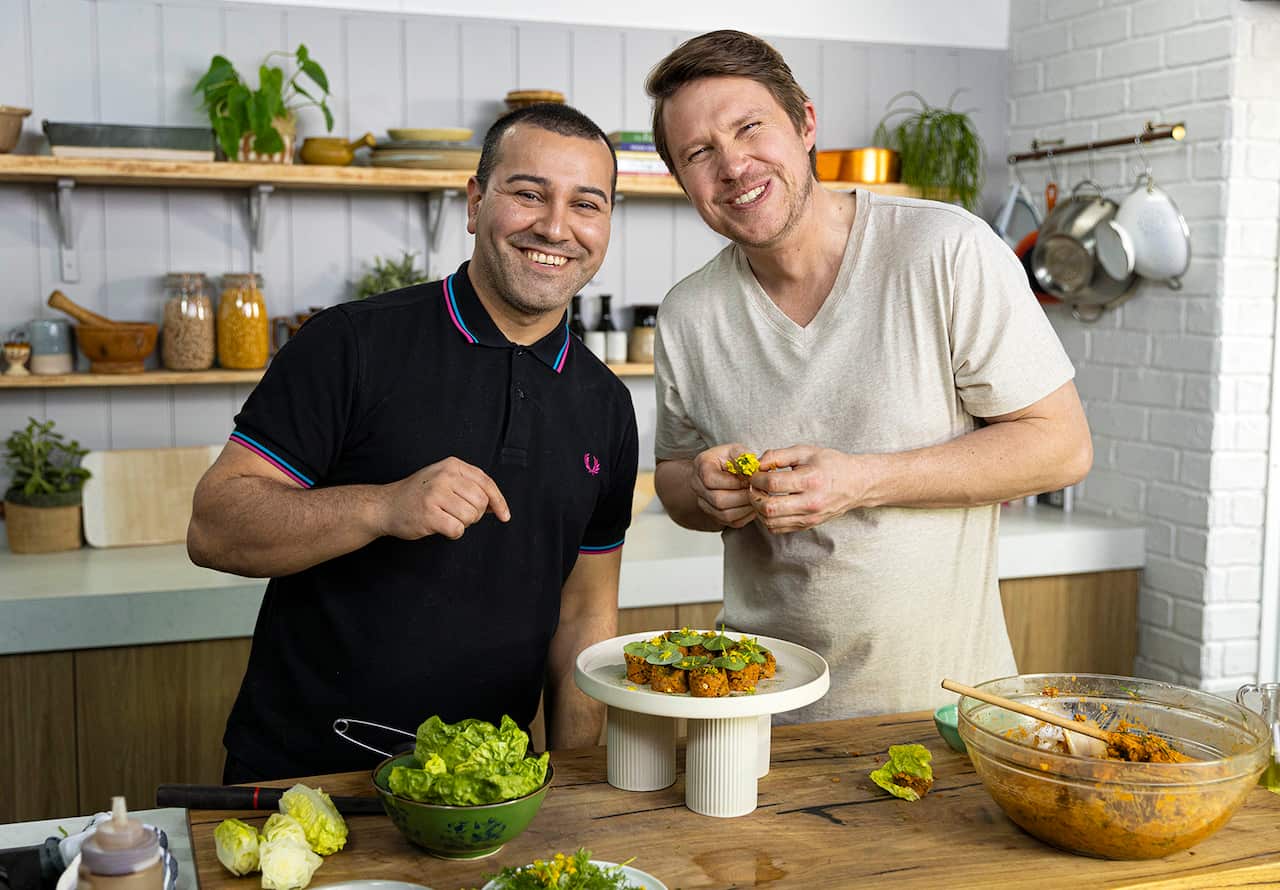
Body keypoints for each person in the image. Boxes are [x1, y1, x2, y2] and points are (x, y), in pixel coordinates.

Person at [645, 31, 1093, 722]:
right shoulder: (688, 313)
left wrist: (860, 480)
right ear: (682, 180)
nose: (732, 165)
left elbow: (1062, 447)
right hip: (753, 714)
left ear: (805, 123)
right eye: (699, 153)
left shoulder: (945, 250)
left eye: (750, 127)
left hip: (943, 710)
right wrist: (704, 491)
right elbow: (674, 479)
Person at [188, 103, 638, 781]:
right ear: (475, 203)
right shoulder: (350, 344)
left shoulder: (607, 405)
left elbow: (585, 611)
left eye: (586, 204)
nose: (555, 226)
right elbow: (214, 527)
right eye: (528, 194)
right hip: (307, 778)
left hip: (488, 792)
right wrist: (382, 506)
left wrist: (576, 780)